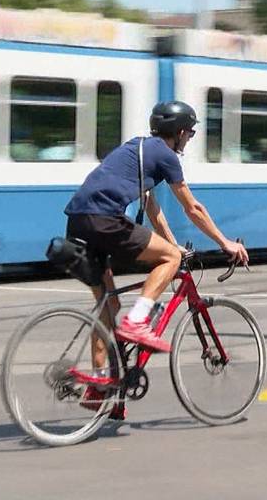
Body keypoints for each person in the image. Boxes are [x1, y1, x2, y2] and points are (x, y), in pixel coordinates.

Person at [63, 100, 249, 415]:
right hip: (105, 220)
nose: (189, 138)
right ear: (178, 132)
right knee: (166, 264)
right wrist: (224, 242)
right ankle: (138, 322)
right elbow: (193, 208)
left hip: (78, 221)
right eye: (190, 133)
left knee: (107, 306)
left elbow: (152, 208)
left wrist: (173, 247)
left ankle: (100, 386)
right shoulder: (165, 155)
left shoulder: (137, 149)